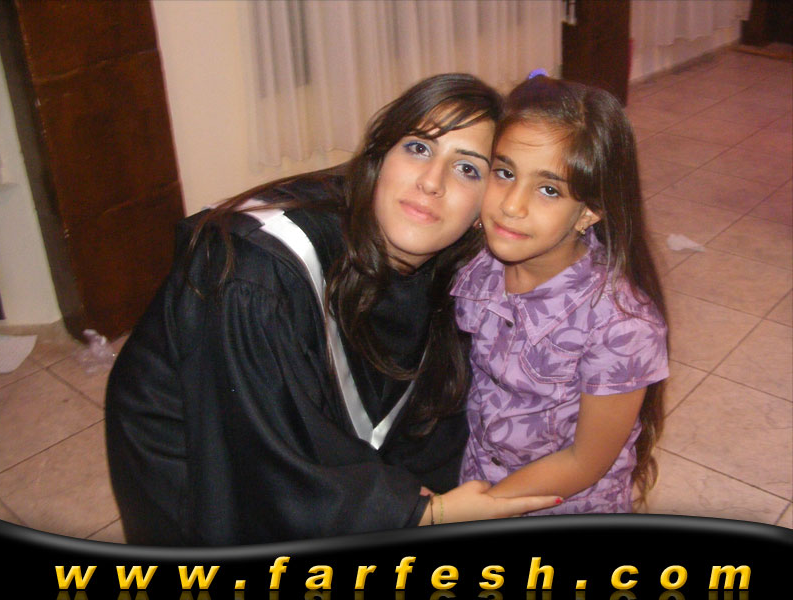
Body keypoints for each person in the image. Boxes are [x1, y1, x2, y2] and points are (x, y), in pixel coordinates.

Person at [105, 73, 560, 546]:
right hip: (201, 442)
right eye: (418, 148)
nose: (431, 182)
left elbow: (421, 416)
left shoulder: (454, 265)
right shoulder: (255, 275)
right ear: (380, 156)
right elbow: (264, 464)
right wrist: (424, 513)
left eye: (467, 168)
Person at [451, 74, 669, 515]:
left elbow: (584, 462)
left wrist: (473, 509)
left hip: (562, 505)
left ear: (590, 210)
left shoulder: (622, 326)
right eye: (505, 173)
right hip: (476, 477)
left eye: (549, 189)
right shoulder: (478, 264)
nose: (512, 205)